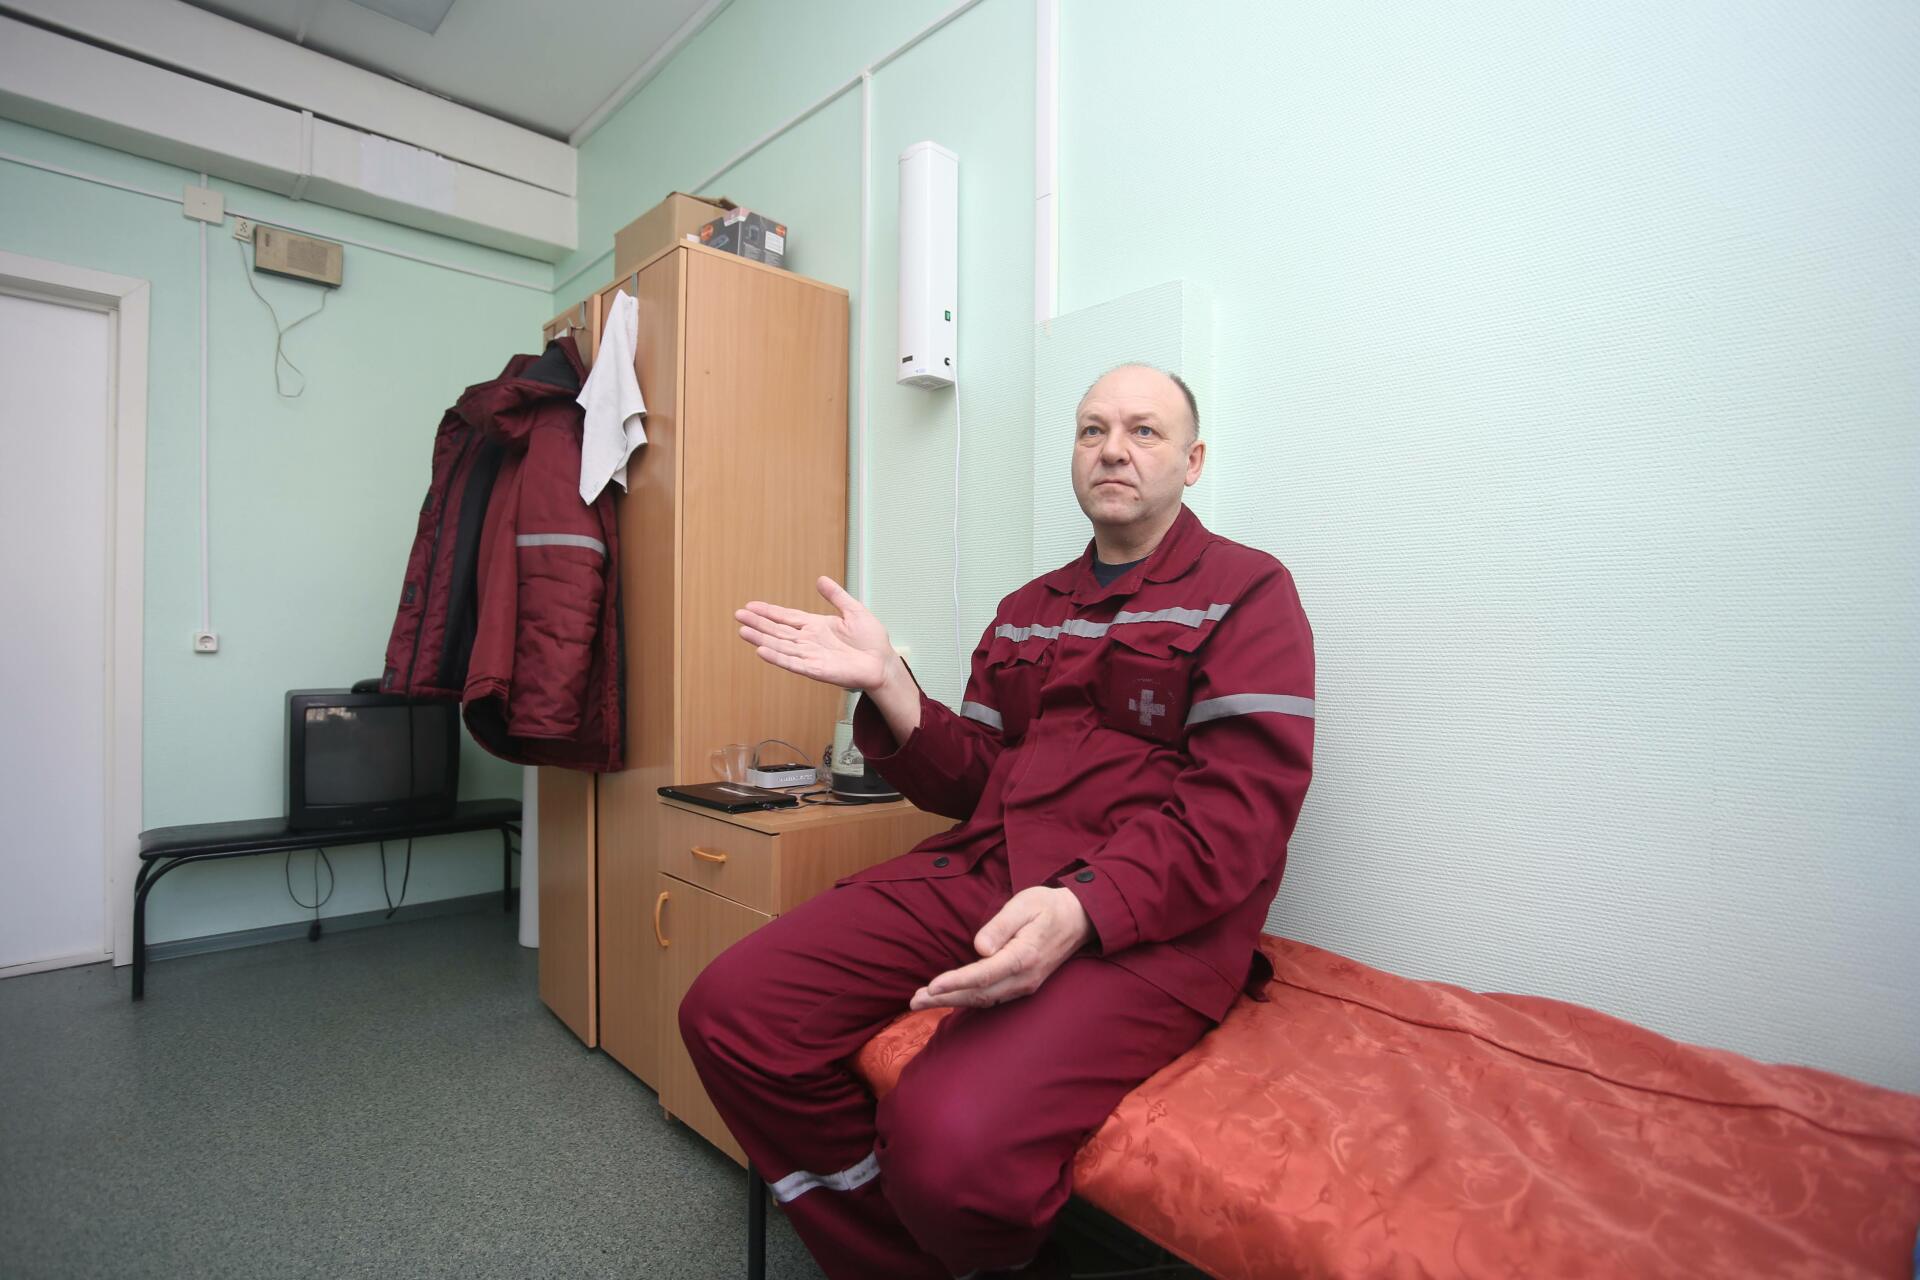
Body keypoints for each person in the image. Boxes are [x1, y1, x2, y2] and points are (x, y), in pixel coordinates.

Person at [679, 364, 1315, 1279]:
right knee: (732, 1013)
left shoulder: (1248, 592)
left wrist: (1083, 906)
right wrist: (889, 685)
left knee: (951, 1145)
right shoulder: (1027, 612)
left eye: (1144, 431)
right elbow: (974, 779)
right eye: (1093, 429)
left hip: (1144, 924)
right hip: (988, 872)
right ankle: (900, 1260)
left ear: (1193, 461)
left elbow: (1239, 814)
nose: (1113, 450)